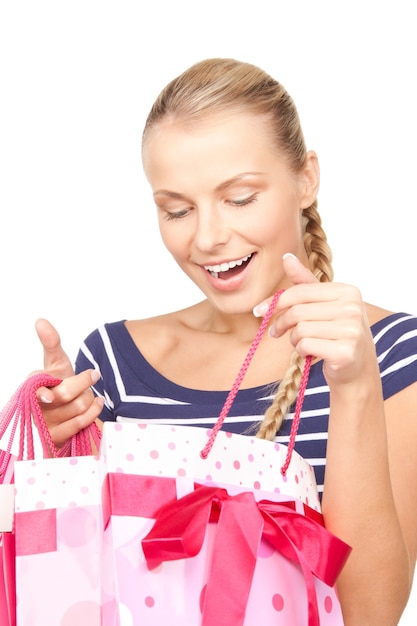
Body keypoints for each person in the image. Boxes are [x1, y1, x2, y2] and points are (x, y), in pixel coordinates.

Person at [34, 58, 417, 624]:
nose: (209, 238)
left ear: (306, 179)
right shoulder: (114, 362)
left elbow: (368, 613)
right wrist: (56, 455)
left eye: (239, 198)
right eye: (177, 209)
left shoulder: (389, 351)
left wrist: (355, 387)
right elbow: (85, 592)